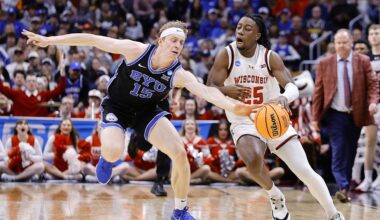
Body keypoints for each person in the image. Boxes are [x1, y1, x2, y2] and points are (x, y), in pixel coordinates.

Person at [22, 20, 257, 219]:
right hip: (118, 106)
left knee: (179, 152)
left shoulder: (178, 73)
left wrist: (236, 107)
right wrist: (50, 40)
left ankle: (180, 210)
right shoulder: (135, 50)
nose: (178, 45)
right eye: (173, 40)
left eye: (181, 43)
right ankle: (107, 158)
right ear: (160, 41)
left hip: (147, 111)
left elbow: (207, 92)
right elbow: (92, 39)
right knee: (114, 152)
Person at [207, 14, 345, 220]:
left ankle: (333, 214)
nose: (240, 32)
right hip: (244, 120)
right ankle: (274, 195)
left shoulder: (269, 57)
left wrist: (283, 97)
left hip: (273, 118)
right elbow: (209, 88)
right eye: (238, 27)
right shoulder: (227, 54)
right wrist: (227, 90)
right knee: (252, 160)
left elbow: (292, 86)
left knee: (305, 171)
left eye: (246, 29)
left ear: (257, 35)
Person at [312, 29, 379, 202]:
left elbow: (373, 84)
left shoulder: (362, 61)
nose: (341, 46)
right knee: (339, 149)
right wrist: (314, 118)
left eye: (344, 42)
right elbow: (318, 92)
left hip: (356, 113)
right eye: (338, 42)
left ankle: (345, 186)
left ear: (351, 43)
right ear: (334, 44)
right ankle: (342, 185)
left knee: (351, 151)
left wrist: (372, 102)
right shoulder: (325, 63)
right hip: (335, 114)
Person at [353, 24, 380, 192]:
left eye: (377, 32)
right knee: (369, 142)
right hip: (372, 105)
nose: (374, 35)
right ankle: (368, 178)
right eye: (371, 33)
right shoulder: (365, 58)